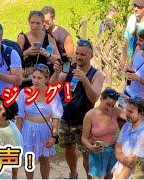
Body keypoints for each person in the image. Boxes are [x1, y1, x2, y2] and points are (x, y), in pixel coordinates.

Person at [50, 39, 105, 178]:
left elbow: (94, 98)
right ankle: (73, 174)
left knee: (87, 152)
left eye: (83, 55)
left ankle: (89, 177)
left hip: (84, 121)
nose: (79, 57)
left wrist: (85, 80)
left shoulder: (96, 74)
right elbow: (52, 88)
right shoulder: (69, 69)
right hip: (65, 117)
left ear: (91, 56)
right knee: (69, 148)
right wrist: (56, 73)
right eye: (77, 53)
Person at [16, 64, 63, 179]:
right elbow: (19, 116)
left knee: (44, 160)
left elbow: (56, 116)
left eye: (39, 78)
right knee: (29, 160)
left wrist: (54, 136)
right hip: (28, 129)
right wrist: (17, 135)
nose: (35, 81)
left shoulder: (52, 93)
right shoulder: (24, 93)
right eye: (34, 77)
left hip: (45, 129)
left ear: (46, 79)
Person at [81, 88, 125, 179]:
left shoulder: (116, 111)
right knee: (97, 178)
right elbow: (84, 138)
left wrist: (126, 101)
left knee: (110, 176)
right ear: (101, 99)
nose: (109, 108)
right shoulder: (90, 115)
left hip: (113, 150)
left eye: (112, 105)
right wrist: (91, 147)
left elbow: (130, 117)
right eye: (108, 104)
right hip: (98, 151)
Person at [112, 96, 144, 179]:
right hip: (118, 171)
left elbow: (132, 163)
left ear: (141, 113)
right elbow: (118, 145)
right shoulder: (128, 123)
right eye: (126, 110)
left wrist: (120, 177)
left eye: (130, 111)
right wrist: (123, 158)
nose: (126, 114)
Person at [17, 10, 60, 88]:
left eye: (38, 23)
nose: (35, 26)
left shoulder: (48, 37)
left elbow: (58, 59)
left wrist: (47, 54)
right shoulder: (22, 37)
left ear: (43, 23)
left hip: (44, 77)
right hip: (27, 77)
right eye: (32, 23)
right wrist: (27, 52)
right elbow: (16, 58)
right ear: (28, 22)